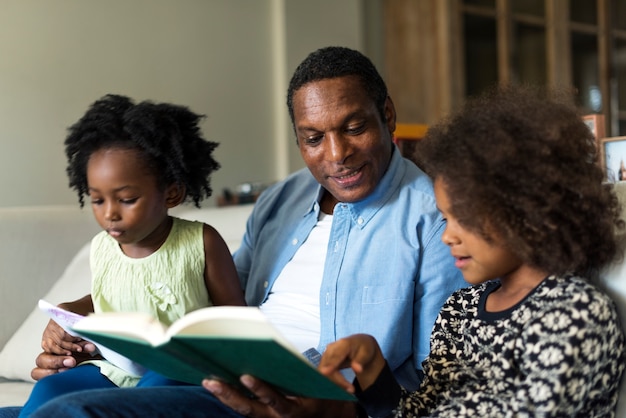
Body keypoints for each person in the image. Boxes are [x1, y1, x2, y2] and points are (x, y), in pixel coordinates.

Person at [2, 46, 466, 418]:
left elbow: (437, 376)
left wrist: (344, 405)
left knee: (73, 412)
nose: (337, 153)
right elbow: (218, 303)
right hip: (216, 371)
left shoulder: (434, 215)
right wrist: (97, 341)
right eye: (313, 138)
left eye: (354, 127)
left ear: (387, 114)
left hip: (292, 397)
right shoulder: (282, 199)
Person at [318, 85, 626, 417]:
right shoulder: (460, 308)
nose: (448, 236)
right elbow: (421, 411)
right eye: (446, 218)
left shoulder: (574, 312)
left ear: (528, 209)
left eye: (463, 217)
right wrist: (374, 371)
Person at [16, 95, 246, 417]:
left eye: (127, 199)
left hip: (181, 373)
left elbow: (236, 322)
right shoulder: (102, 247)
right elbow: (108, 297)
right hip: (116, 370)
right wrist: (71, 315)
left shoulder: (201, 241)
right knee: (50, 389)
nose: (110, 213)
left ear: (171, 192)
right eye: (97, 200)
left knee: (155, 388)